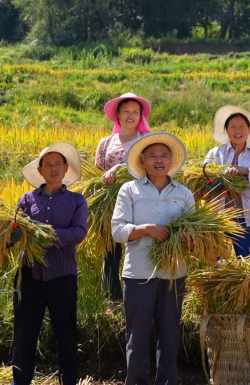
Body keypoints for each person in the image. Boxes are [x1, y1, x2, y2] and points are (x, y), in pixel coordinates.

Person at [111, 132, 195, 385]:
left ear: (171, 161)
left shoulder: (183, 193)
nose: (159, 160)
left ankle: (168, 382)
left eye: (164, 156)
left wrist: (190, 239)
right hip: (138, 274)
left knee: (169, 334)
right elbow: (117, 230)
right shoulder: (130, 190)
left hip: (173, 273)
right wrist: (146, 229)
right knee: (136, 336)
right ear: (143, 161)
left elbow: (193, 230)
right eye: (153, 156)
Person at [9, 141, 88, 385]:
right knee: (24, 334)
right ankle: (19, 382)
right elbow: (13, 231)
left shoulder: (77, 201)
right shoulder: (27, 198)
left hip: (62, 276)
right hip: (29, 275)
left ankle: (69, 381)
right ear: (40, 171)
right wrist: (9, 234)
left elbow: (78, 232)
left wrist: (47, 234)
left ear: (66, 169)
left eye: (58, 164)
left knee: (65, 334)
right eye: (48, 165)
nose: (53, 169)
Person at [96, 92, 152, 314]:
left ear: (140, 116)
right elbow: (97, 172)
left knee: (139, 249)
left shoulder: (146, 141)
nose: (130, 115)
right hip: (109, 204)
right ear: (117, 114)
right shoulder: (106, 142)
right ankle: (112, 301)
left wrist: (120, 169)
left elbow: (153, 169)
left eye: (135, 112)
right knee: (110, 253)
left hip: (140, 203)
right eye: (126, 111)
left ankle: (139, 300)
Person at [204, 105, 250, 258]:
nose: (238, 131)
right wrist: (223, 177)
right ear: (226, 131)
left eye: (242, 126)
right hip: (218, 217)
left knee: (247, 263)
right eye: (233, 127)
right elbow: (204, 183)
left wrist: (247, 172)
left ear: (248, 130)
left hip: (246, 218)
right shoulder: (215, 153)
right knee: (217, 264)